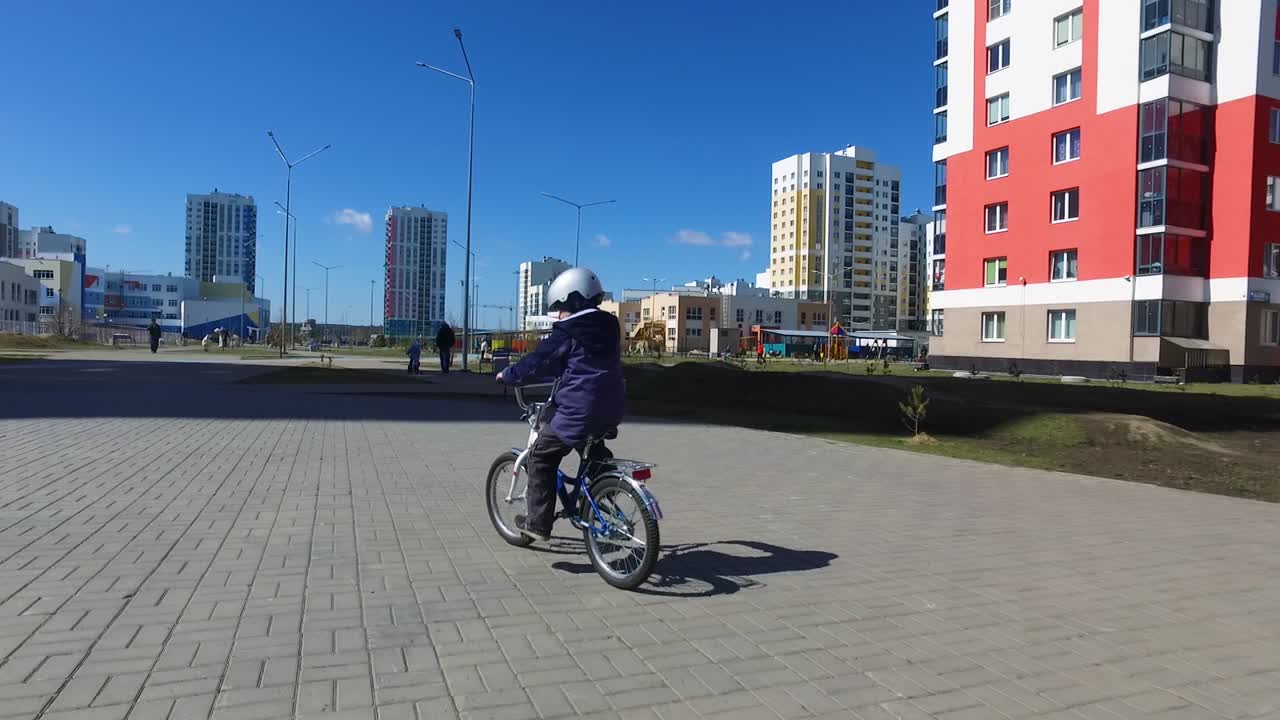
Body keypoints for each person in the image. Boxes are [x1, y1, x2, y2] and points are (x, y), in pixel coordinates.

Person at [495, 267, 623, 542]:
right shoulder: (610, 326)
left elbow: (539, 361)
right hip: (612, 406)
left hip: (580, 408)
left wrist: (509, 375)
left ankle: (538, 524)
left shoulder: (569, 331)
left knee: (540, 456)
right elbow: (581, 364)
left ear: (572, 300)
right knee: (591, 445)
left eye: (560, 308)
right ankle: (605, 489)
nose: (559, 315)